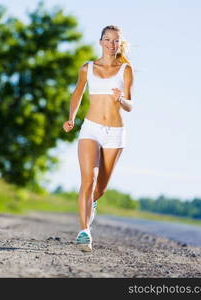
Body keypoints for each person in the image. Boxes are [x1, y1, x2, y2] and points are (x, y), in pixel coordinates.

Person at [62, 25, 134, 252]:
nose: (111, 44)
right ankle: (84, 231)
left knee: (100, 188)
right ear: (100, 41)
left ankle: (91, 203)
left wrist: (121, 98)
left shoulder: (126, 69)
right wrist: (71, 118)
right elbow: (77, 93)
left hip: (115, 133)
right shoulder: (87, 68)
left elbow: (130, 105)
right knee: (88, 180)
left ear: (120, 44)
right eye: (107, 39)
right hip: (91, 129)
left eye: (116, 41)